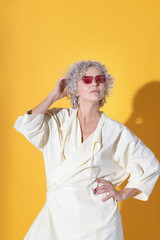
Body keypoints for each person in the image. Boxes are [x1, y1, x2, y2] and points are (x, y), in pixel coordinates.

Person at [14, 60, 160, 240]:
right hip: (56, 216)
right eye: (87, 79)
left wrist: (121, 194)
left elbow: (149, 165)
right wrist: (53, 95)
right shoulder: (58, 119)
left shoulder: (116, 131)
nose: (95, 83)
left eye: (99, 79)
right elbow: (29, 126)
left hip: (99, 221)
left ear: (105, 87)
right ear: (74, 88)